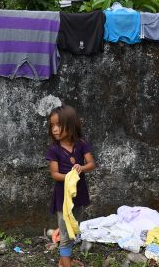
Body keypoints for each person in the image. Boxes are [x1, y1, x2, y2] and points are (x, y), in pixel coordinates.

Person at [46, 105, 96, 267]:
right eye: (52, 125)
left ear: (71, 125)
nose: (54, 129)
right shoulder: (54, 150)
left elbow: (91, 164)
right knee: (66, 234)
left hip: (79, 194)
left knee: (73, 229)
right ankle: (65, 264)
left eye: (59, 125)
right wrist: (69, 177)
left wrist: (81, 168)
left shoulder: (81, 144)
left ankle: (64, 260)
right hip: (63, 198)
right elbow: (54, 174)